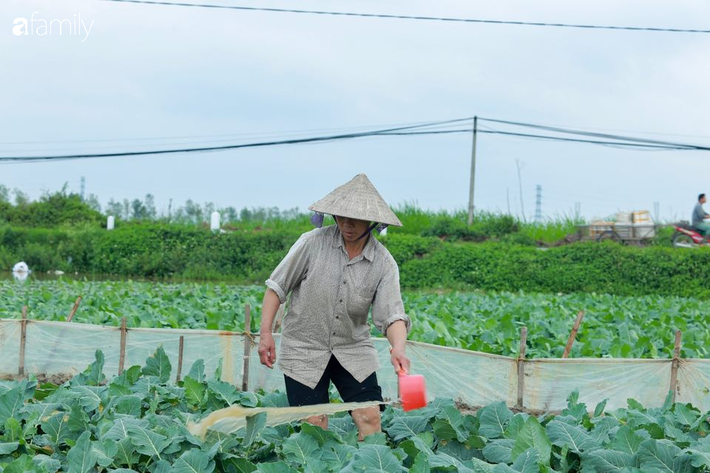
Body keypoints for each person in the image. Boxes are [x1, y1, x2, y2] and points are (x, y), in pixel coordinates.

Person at [257, 174, 411, 441]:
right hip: (304, 347)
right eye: (341, 216)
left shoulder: (383, 263)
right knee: (314, 425)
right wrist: (266, 334)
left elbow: (392, 315)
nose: (347, 224)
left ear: (373, 222)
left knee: (370, 416)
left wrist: (398, 348)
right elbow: (276, 288)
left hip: (352, 348)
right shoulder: (312, 243)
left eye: (355, 218)